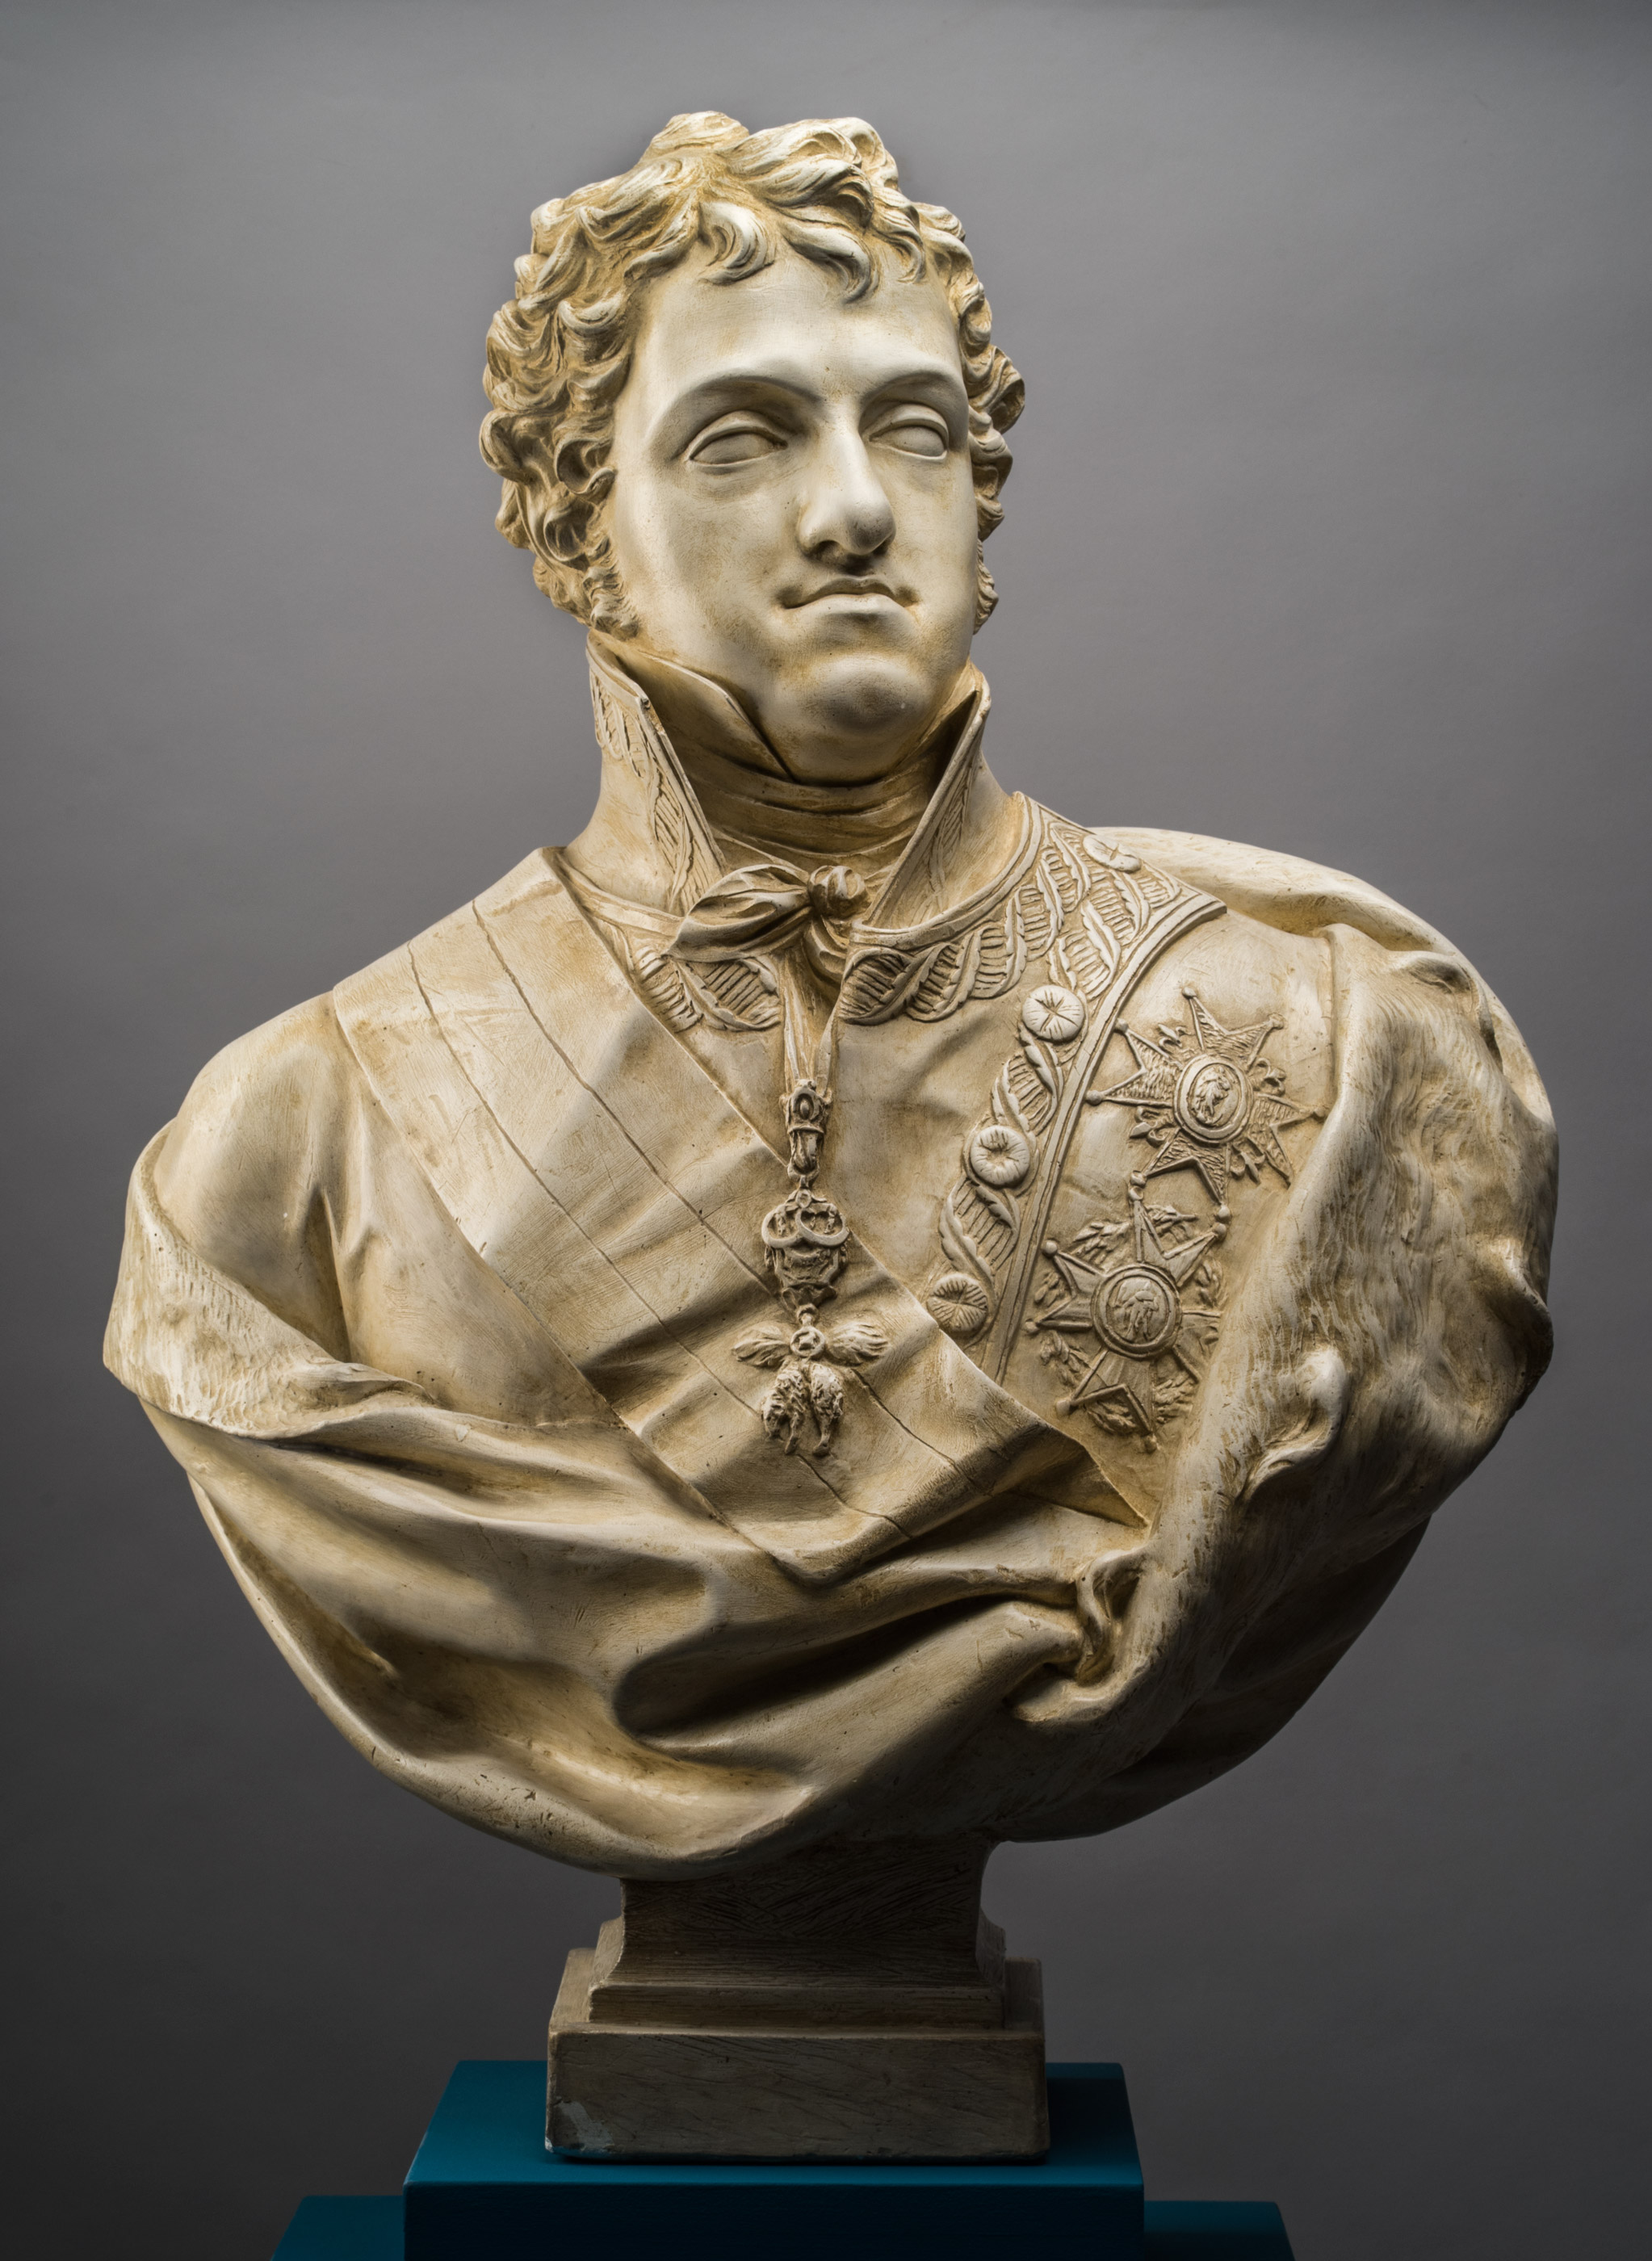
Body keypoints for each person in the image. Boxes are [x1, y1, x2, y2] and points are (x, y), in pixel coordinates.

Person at [106, 114, 1555, 1878]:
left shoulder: (1342, 1056)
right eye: (742, 438)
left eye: (916, 430)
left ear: (978, 500)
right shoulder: (291, 1148)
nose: (858, 507)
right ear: (580, 525)